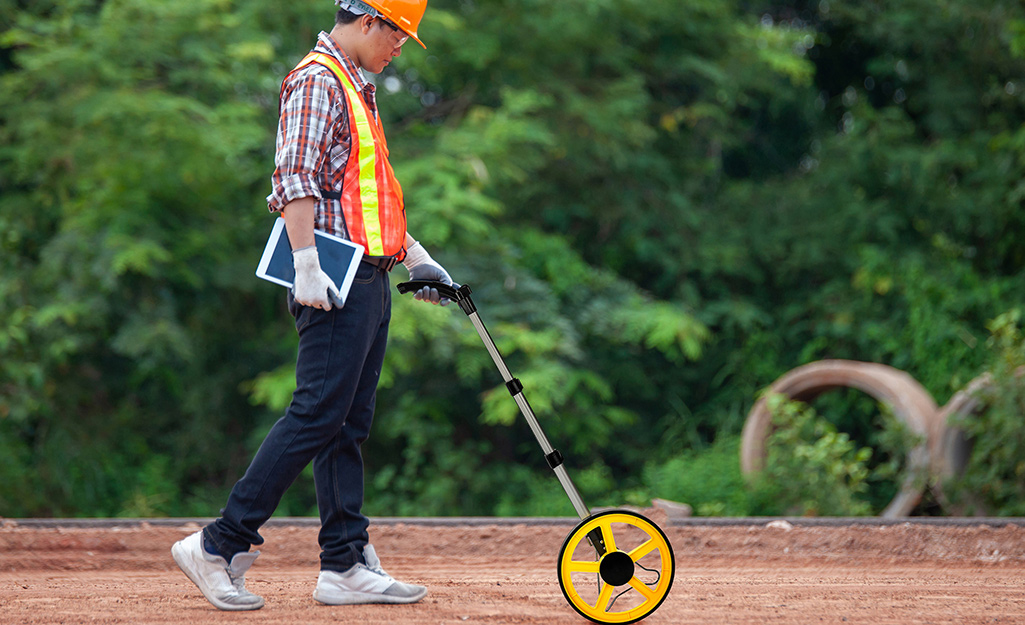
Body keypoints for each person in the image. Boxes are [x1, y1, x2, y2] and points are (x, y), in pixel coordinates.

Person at [172, 0, 454, 611]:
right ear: (369, 21)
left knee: (348, 422)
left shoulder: (358, 88)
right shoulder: (317, 81)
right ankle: (219, 544)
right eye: (399, 36)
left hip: (370, 276)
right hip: (329, 277)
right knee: (316, 413)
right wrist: (305, 264)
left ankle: (345, 562)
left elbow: (363, 190)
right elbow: (295, 177)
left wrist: (415, 255)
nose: (400, 49)